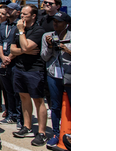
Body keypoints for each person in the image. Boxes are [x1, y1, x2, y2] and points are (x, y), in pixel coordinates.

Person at [10, 4, 49, 146]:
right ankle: (27, 126)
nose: (22, 16)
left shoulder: (38, 31)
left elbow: (26, 46)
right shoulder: (18, 29)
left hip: (34, 69)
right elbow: (13, 49)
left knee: (38, 100)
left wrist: (21, 33)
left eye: (25, 14)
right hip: (20, 68)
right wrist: (23, 50)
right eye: (22, 14)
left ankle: (42, 132)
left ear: (33, 16)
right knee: (23, 97)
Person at [41, 11, 71, 148]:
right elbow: (44, 57)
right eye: (54, 21)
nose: (55, 24)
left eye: (59, 22)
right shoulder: (47, 36)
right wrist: (49, 46)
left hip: (70, 75)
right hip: (54, 74)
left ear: (67, 24)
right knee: (55, 106)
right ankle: (56, 134)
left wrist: (67, 49)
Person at [0, 2, 22, 127]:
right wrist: (2, 57)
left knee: (17, 90)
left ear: (17, 12)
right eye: (8, 9)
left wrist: (10, 58)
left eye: (11, 9)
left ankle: (19, 115)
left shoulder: (20, 25)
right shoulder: (3, 25)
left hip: (15, 62)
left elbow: (20, 44)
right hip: (3, 61)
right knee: (8, 90)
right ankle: (11, 113)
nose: (8, 11)